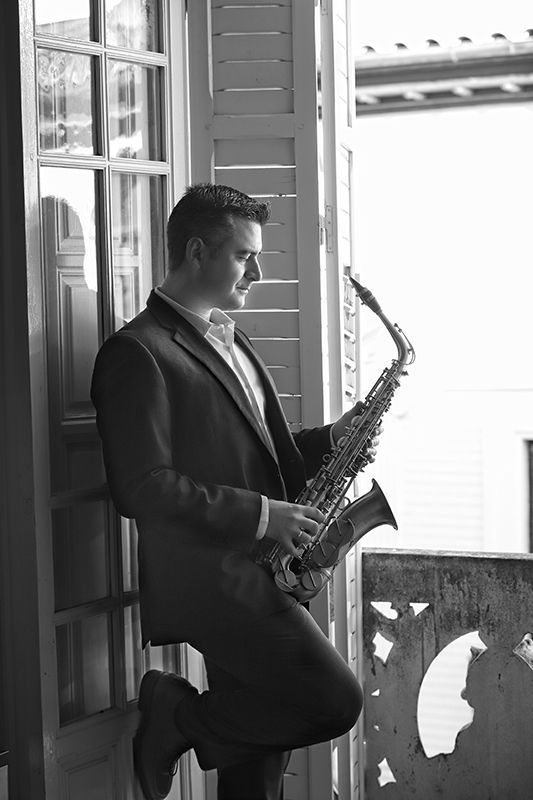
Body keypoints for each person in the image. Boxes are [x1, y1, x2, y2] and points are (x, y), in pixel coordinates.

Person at [91, 183, 371, 800]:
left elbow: (263, 451)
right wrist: (263, 516)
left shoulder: (230, 337)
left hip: (264, 571)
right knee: (334, 701)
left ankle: (184, 721)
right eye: (245, 255)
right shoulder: (136, 352)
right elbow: (142, 487)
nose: (258, 272)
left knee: (256, 772)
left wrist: (333, 439)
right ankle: (177, 717)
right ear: (197, 251)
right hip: (215, 582)